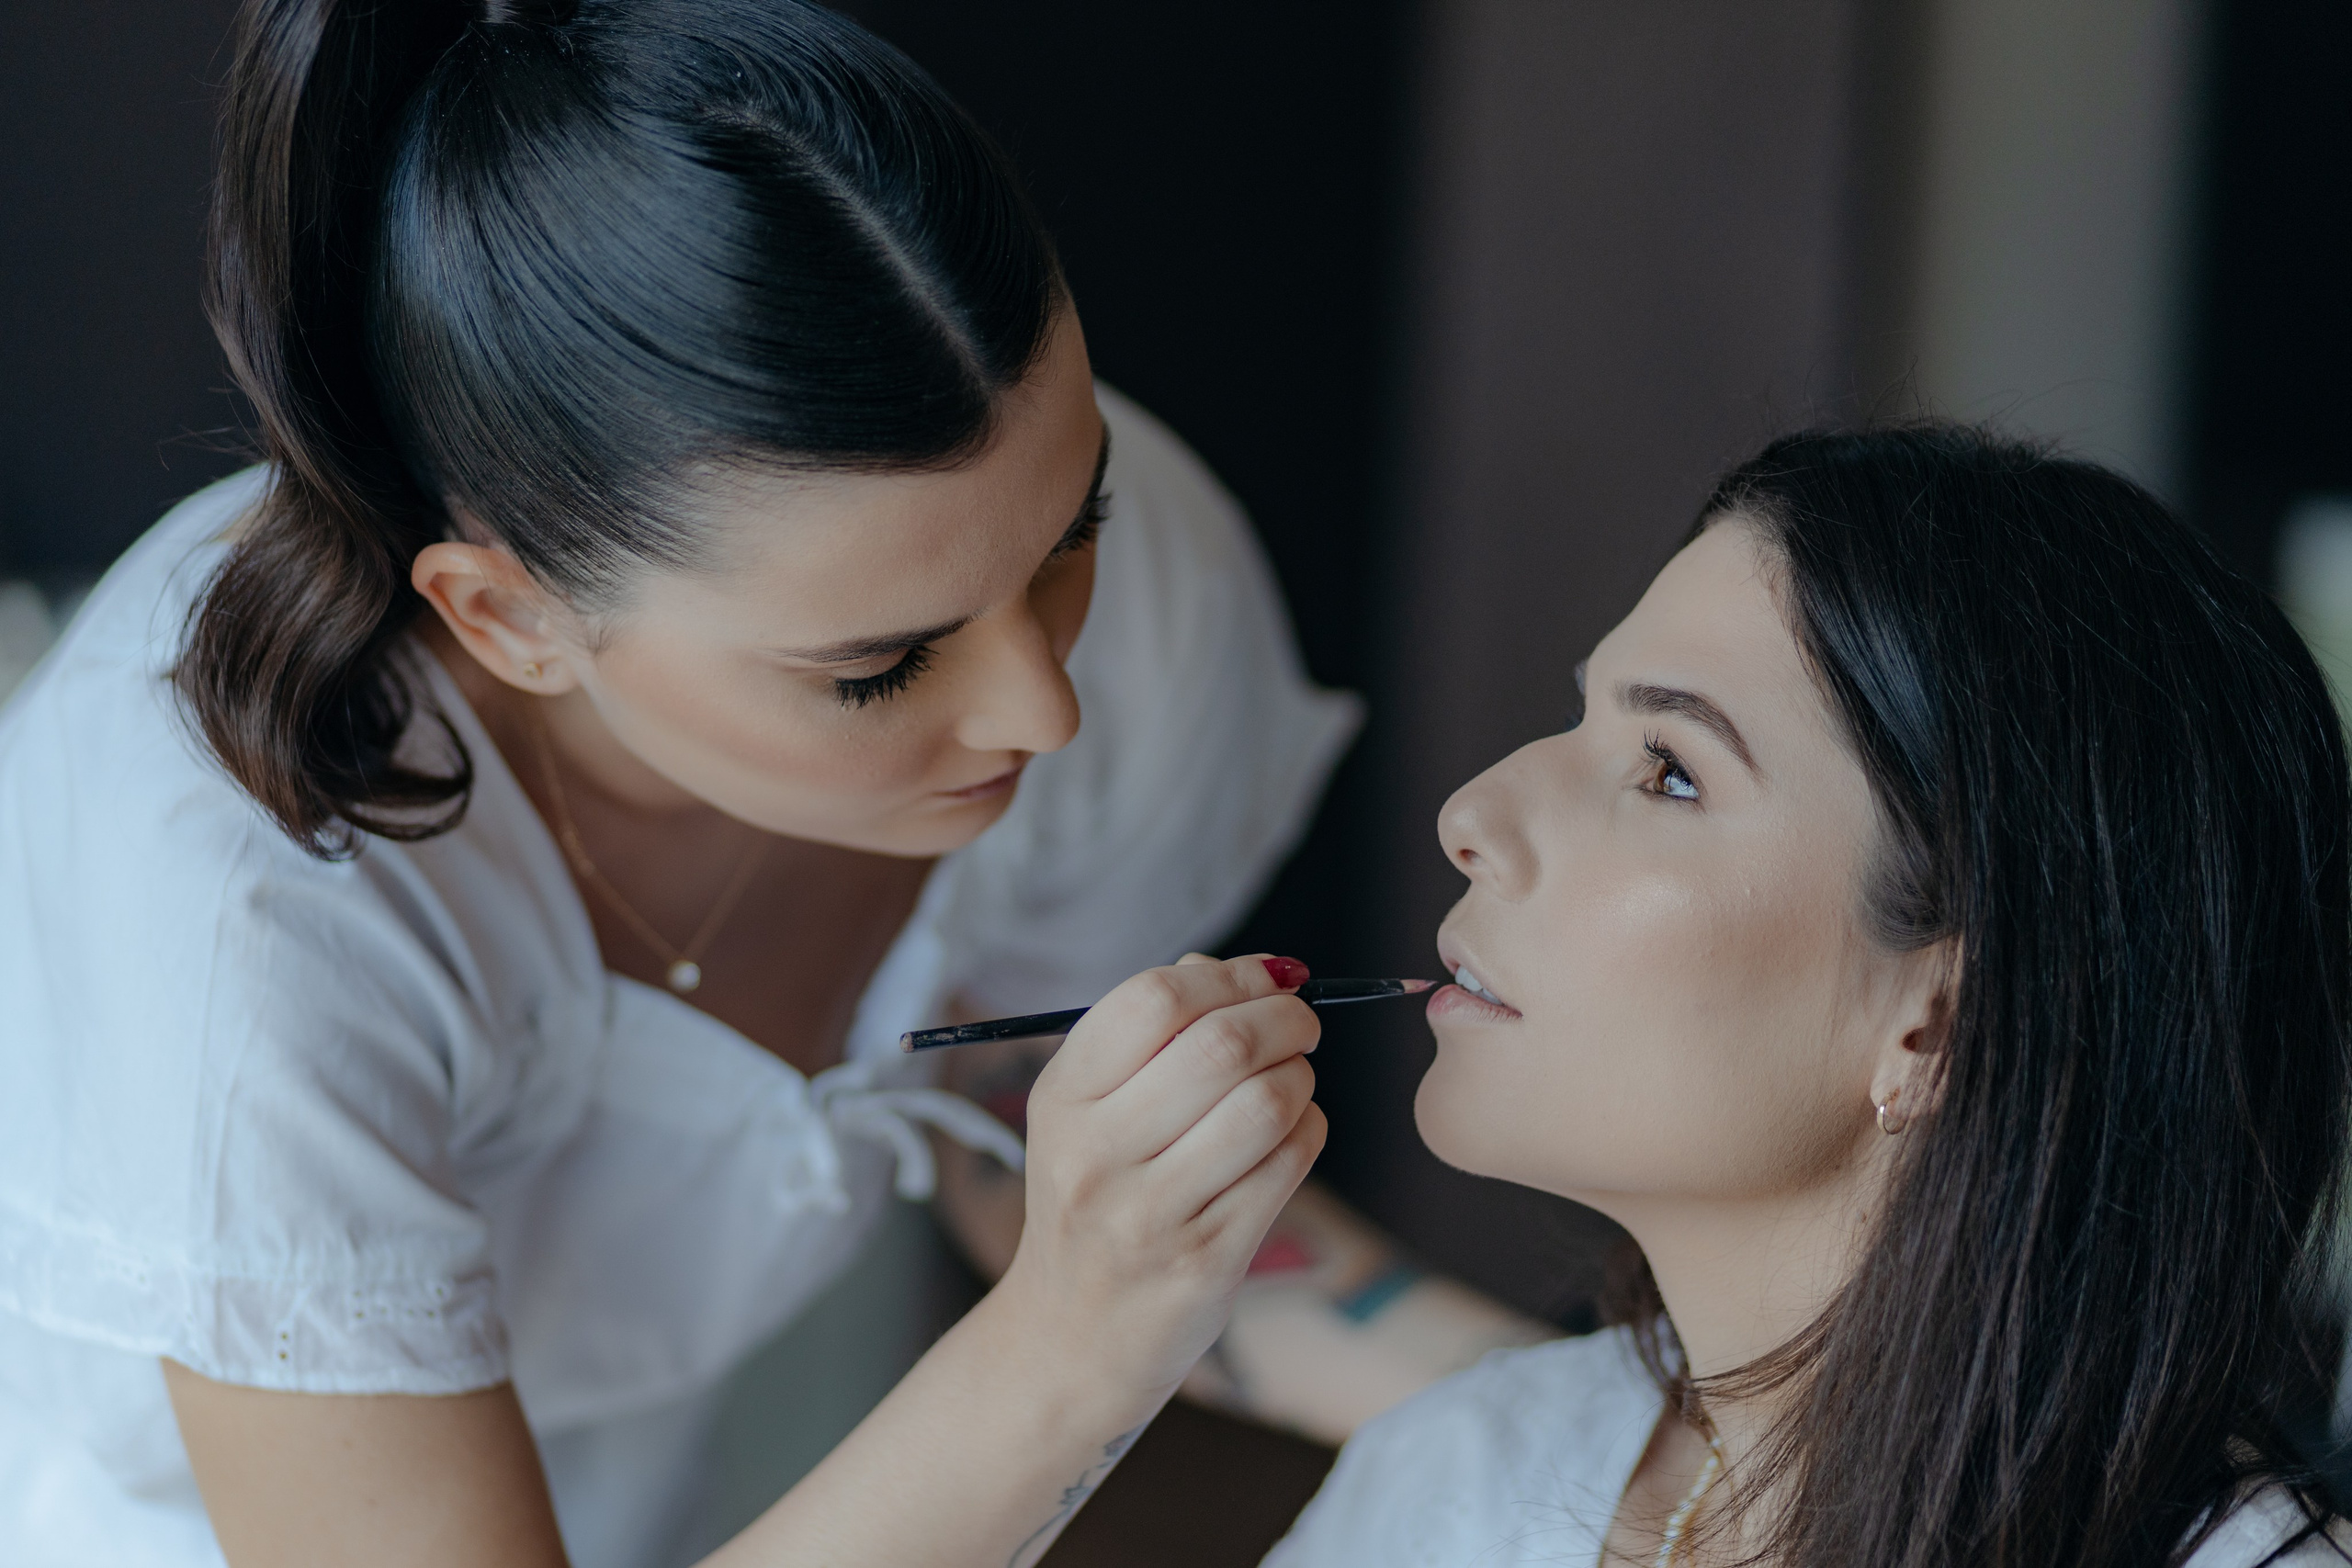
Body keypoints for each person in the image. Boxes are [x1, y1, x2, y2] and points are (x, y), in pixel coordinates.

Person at [0, 0, 1542, 1563]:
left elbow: (1013, 1119)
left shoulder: (1074, 580)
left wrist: (1586, 1419)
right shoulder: (244, 906)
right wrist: (1078, 1332)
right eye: (877, 667)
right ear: (512, 618)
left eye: (1075, 532)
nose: (1048, 707)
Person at [1262, 426, 2352, 1567]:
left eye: (1669, 771)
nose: (1471, 815)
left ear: (1939, 1024)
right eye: (1582, 717)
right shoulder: (1463, 1483)